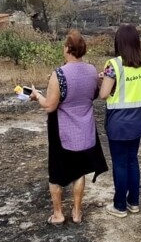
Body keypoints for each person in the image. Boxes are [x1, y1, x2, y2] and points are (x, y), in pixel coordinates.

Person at [30, 31, 109, 225]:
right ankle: (77, 212)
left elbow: (50, 105)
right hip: (85, 128)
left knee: (56, 173)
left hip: (61, 130)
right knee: (79, 171)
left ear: (67, 49)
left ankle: (58, 214)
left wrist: (36, 96)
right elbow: (95, 94)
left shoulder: (60, 74)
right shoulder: (92, 70)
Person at [99, 24, 141, 217]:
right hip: (137, 120)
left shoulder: (114, 65)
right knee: (132, 161)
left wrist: (103, 81)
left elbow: (104, 94)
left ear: (118, 42)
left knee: (120, 164)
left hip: (119, 123)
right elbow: (140, 86)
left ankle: (119, 205)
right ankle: (133, 202)